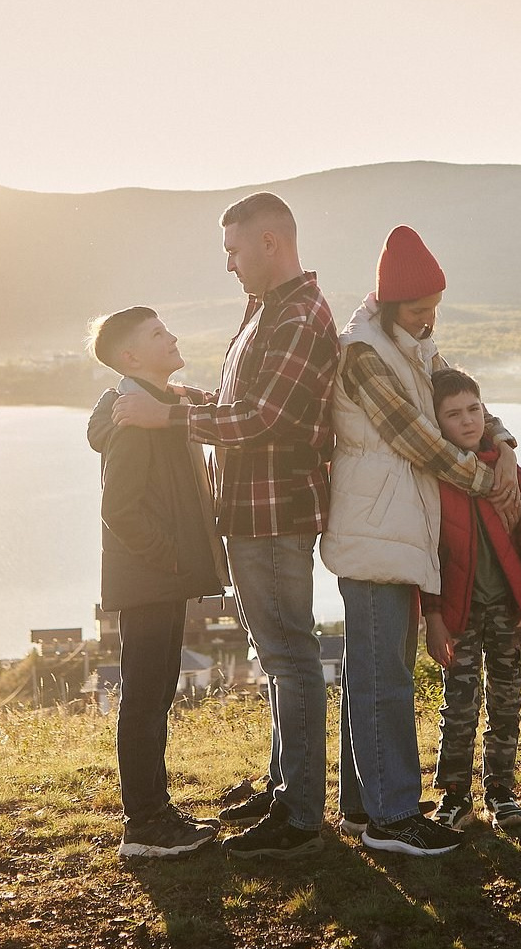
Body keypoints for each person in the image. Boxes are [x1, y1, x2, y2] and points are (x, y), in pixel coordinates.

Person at [110, 192, 340, 860]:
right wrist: (174, 398)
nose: (229, 266)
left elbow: (265, 419)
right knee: (279, 661)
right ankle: (281, 788)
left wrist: (171, 417)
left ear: (270, 243)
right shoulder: (269, 312)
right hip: (251, 516)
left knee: (290, 661)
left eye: (233, 251)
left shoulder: (298, 316)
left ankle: (298, 818)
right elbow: (241, 405)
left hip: (273, 518)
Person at [321, 225, 521, 856]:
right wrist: (486, 478)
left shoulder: (411, 346)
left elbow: (461, 401)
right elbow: (417, 437)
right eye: (418, 310)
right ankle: (392, 817)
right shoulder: (365, 354)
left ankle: (363, 808)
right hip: (374, 526)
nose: (430, 320)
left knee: (373, 673)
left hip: (396, 526)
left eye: (435, 308)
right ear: (386, 304)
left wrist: (504, 442)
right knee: (385, 680)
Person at [86, 306, 230, 858]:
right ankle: (144, 824)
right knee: (146, 697)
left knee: (155, 690)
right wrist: (170, 559)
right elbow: (119, 509)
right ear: (130, 358)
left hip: (158, 579)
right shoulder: (133, 420)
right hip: (150, 580)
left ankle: (154, 812)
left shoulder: (159, 407)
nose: (170, 338)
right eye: (156, 335)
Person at [422, 367, 521, 832]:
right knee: (458, 703)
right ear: (437, 423)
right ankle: (455, 796)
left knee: (506, 700)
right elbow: (430, 555)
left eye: (474, 409)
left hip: (507, 609)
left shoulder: (507, 468)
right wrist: (433, 618)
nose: (468, 421)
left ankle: (501, 791)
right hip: (458, 612)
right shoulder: (434, 480)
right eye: (454, 414)